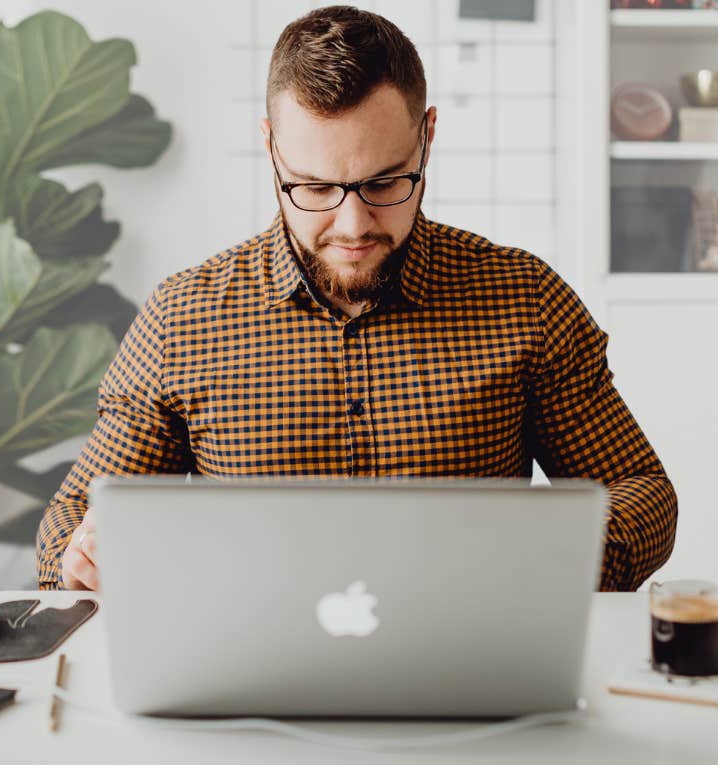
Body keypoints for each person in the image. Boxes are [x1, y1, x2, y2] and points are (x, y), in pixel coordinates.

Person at [36, 5, 676, 592]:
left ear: (427, 138)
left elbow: (642, 492)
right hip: (248, 681)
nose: (351, 226)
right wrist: (80, 555)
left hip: (470, 668)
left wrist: (555, 558)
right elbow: (71, 518)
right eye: (313, 188)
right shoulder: (183, 319)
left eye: (384, 182)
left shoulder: (524, 299)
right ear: (271, 149)